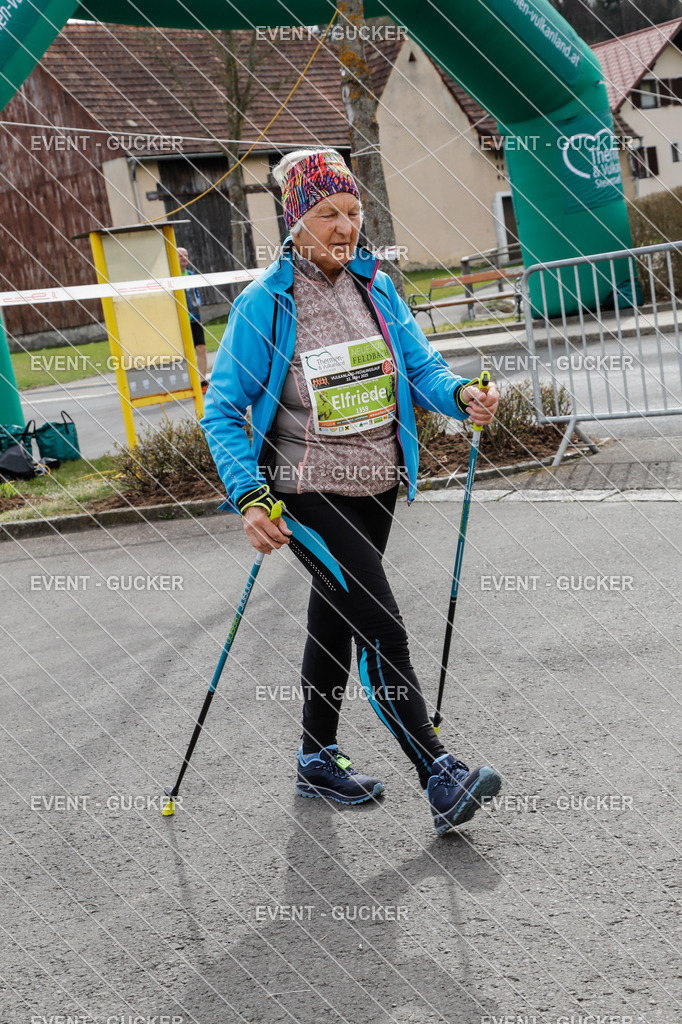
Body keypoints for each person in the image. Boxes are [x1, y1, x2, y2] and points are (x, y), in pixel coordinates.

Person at [201, 148, 502, 835]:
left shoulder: (377, 288)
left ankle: (315, 757)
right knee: (380, 625)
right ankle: (439, 772)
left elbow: (420, 368)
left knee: (336, 620)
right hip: (306, 491)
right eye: (328, 213)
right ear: (295, 221)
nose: (345, 226)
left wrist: (460, 396)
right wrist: (249, 497)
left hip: (376, 488)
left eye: (354, 213)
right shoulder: (266, 303)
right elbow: (222, 409)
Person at [177, 246, 209, 393]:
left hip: (195, 318)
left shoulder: (191, 275)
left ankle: (203, 381)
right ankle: (185, 382)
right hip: (179, 321)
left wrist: (198, 304)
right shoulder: (172, 276)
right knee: (183, 352)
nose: (184, 258)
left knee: (201, 348)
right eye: (180, 255)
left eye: (186, 255)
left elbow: (196, 294)